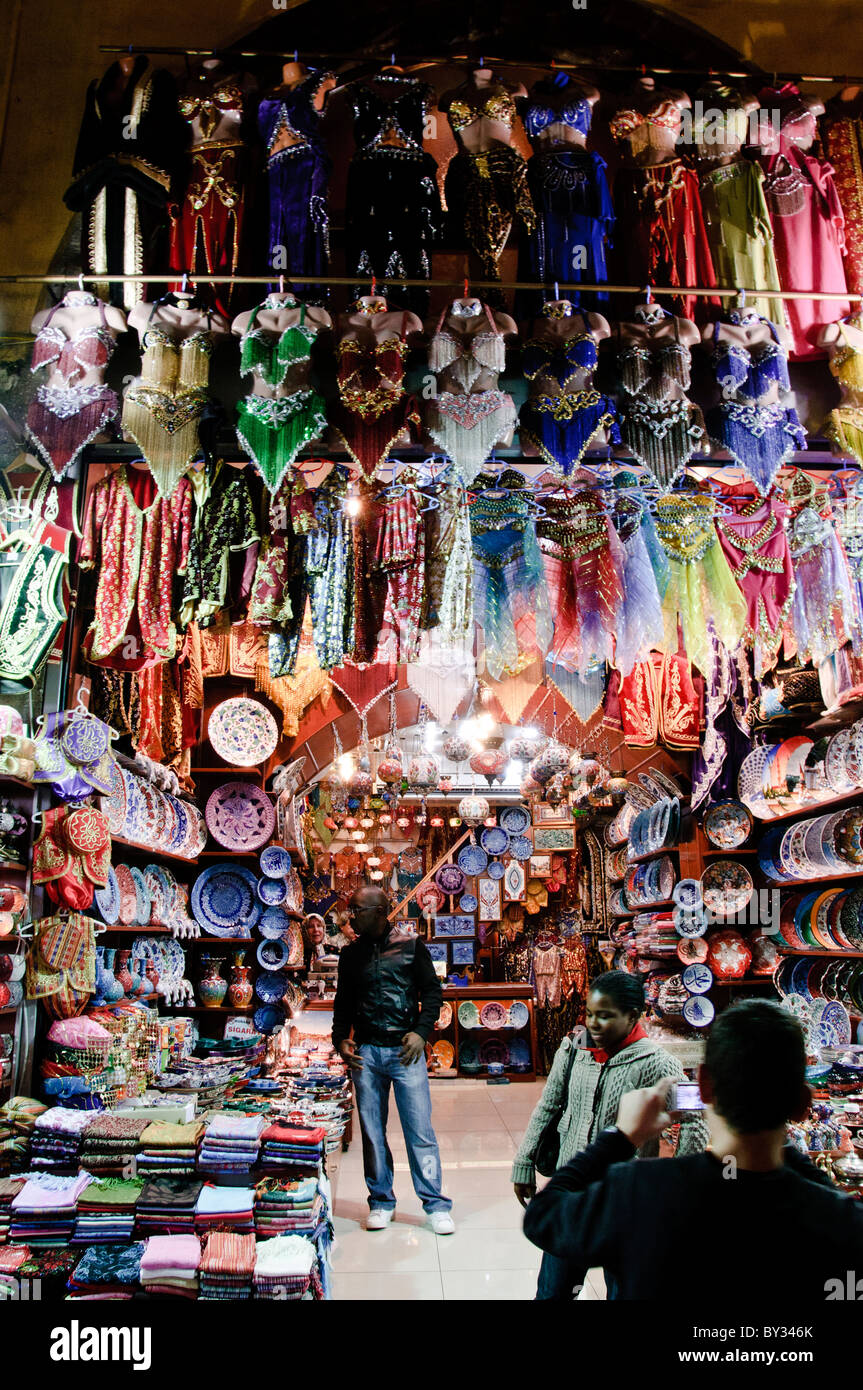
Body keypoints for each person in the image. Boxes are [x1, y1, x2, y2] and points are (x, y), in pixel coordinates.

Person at [523, 998, 863, 1299]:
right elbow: (828, 1201)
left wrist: (620, 1137)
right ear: (803, 1105)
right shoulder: (839, 1221)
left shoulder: (641, 1190)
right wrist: (780, 1140)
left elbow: (544, 1217)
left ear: (703, 1085)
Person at [511, 970, 708, 1299]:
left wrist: (680, 1190)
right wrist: (524, 1161)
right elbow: (549, 1103)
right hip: (573, 1194)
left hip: (626, 1203)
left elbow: (694, 1119)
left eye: (605, 1016)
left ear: (632, 1016)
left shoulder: (660, 1063)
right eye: (589, 1014)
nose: (593, 1024)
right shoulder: (573, 1049)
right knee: (553, 1291)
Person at [332, 886, 455, 1234]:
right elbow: (343, 1002)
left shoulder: (411, 946)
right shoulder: (350, 955)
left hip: (406, 1052)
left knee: (420, 1131)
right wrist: (340, 1039)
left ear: (379, 911)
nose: (350, 917)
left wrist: (421, 1032)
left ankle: (435, 1204)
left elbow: (432, 991)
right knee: (372, 1132)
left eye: (356, 910)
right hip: (367, 1054)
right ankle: (381, 1201)